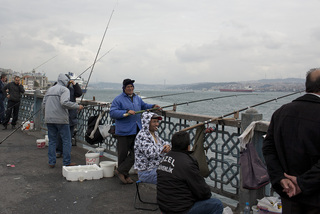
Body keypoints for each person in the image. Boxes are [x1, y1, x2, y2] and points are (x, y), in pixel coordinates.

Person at [263, 68, 320, 214]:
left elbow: (268, 149)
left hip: (289, 193)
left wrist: (281, 178)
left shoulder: (281, 112)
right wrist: (302, 183)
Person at [157, 131, 223, 214]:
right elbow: (204, 192)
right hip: (179, 210)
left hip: (163, 206)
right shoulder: (187, 163)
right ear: (188, 147)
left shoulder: (164, 159)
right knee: (217, 204)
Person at [110, 78, 160, 184]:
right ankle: (125, 175)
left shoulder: (137, 98)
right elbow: (113, 113)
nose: (130, 88)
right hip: (124, 131)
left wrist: (152, 106)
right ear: (124, 88)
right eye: (128, 87)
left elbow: (143, 106)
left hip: (136, 130)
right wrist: (126, 112)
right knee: (122, 154)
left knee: (136, 153)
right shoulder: (118, 99)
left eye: (132, 87)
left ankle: (121, 171)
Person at [42, 73, 84, 168]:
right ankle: (66, 162)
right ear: (65, 81)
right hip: (61, 119)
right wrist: (77, 106)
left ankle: (51, 162)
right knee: (66, 141)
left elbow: (43, 104)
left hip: (49, 119)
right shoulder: (64, 89)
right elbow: (64, 103)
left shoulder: (49, 89)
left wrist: (45, 116)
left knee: (52, 141)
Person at [134, 111, 171, 184]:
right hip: (146, 172)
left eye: (157, 121)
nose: (157, 124)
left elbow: (164, 143)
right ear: (147, 123)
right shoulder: (142, 136)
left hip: (156, 168)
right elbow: (150, 153)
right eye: (154, 122)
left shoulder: (154, 134)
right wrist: (163, 148)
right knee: (171, 179)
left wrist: (168, 146)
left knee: (176, 172)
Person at [56, 77, 83, 158]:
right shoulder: (59, 89)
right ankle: (58, 151)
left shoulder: (71, 89)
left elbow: (79, 93)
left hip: (71, 116)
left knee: (69, 136)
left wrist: (75, 84)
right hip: (61, 115)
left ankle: (66, 152)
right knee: (59, 135)